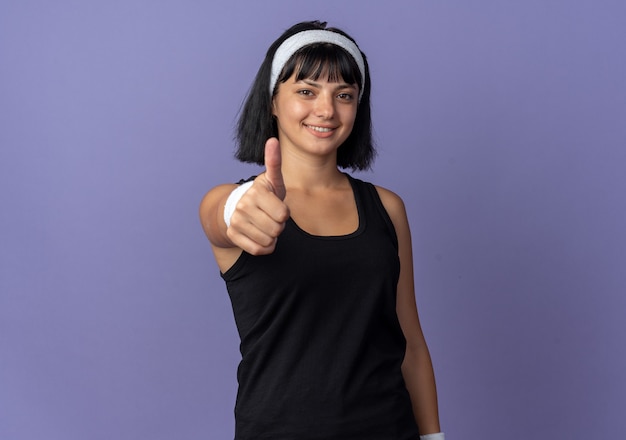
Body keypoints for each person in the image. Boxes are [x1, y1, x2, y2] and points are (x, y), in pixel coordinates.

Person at [199, 20, 444, 440]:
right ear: (273, 101)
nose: (327, 109)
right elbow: (221, 219)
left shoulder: (387, 208)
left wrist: (433, 438)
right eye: (306, 91)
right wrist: (238, 209)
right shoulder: (234, 202)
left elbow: (411, 343)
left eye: (344, 95)